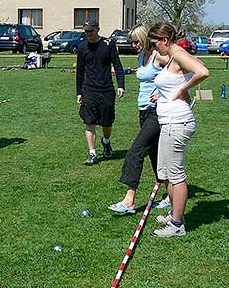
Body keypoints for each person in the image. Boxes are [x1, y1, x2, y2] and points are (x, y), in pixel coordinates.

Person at [148, 22, 209, 237]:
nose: (155, 49)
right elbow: (191, 67)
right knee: (165, 172)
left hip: (178, 122)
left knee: (176, 175)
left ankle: (177, 225)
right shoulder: (173, 55)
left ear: (164, 40)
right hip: (168, 121)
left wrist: (183, 89)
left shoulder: (177, 53)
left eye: (155, 44)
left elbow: (202, 71)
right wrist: (165, 94)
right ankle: (174, 213)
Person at [108, 23, 170, 214]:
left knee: (135, 152)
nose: (133, 45)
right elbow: (145, 77)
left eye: (136, 41)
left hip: (156, 112)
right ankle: (170, 195)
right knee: (155, 155)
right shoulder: (142, 56)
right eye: (132, 42)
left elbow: (181, 74)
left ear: (144, 38)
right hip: (143, 111)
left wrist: (162, 94)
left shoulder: (160, 56)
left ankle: (129, 200)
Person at [76, 19, 125, 166]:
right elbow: (80, 71)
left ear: (98, 29)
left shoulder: (108, 44)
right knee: (89, 122)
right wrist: (79, 92)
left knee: (106, 123)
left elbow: (117, 65)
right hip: (89, 90)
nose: (88, 34)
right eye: (86, 31)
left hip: (106, 89)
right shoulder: (82, 46)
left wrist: (121, 85)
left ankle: (106, 141)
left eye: (91, 31)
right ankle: (92, 153)